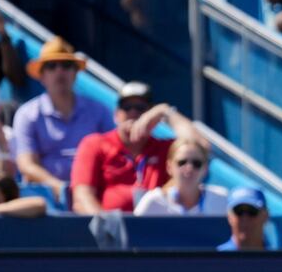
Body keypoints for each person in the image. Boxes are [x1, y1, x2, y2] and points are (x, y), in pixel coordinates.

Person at [70, 80, 197, 214]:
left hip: (157, 229)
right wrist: (107, 226)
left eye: (140, 108)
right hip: (112, 228)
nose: (133, 113)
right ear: (117, 114)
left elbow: (198, 146)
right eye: (126, 107)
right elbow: (82, 197)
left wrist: (164, 111)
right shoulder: (95, 144)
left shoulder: (163, 148)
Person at [12, 35, 114, 199]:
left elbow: (114, 154)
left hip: (94, 194)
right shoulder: (27, 114)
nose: (60, 71)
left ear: (75, 73)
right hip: (46, 200)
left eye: (66, 65)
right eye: (51, 66)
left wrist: (83, 190)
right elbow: (26, 164)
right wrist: (59, 188)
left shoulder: (99, 111)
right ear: (42, 76)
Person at [134, 134, 228, 215]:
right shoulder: (153, 201)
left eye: (196, 163)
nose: (189, 168)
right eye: (182, 162)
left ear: (206, 169)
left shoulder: (222, 199)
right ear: (169, 167)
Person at [218, 185, 271, 250]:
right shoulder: (216, 259)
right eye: (239, 211)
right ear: (229, 217)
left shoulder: (279, 258)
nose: (245, 218)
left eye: (252, 211)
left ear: (266, 216)